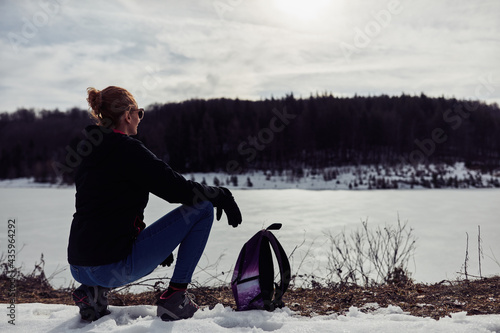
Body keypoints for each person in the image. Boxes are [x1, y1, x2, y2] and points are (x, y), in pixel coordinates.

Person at [67, 86, 242, 322]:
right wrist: (219, 194)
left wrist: (149, 241)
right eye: (139, 112)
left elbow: (108, 206)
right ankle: (175, 298)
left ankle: (91, 293)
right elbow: (176, 189)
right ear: (128, 115)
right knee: (203, 209)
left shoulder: (88, 151)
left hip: (78, 267)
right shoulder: (128, 150)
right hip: (110, 268)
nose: (140, 118)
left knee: (102, 259)